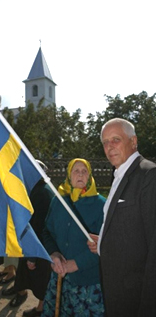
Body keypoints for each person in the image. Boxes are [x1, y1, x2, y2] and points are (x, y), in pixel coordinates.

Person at [87, 118, 156, 317]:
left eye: (116, 139)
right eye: (105, 142)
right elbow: (130, 228)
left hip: (136, 296)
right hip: (116, 290)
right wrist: (103, 243)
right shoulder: (118, 174)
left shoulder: (149, 175)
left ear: (133, 142)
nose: (109, 147)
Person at [42, 158, 105, 317]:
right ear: (69, 176)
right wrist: (54, 254)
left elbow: (107, 245)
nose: (80, 174)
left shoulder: (101, 205)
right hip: (60, 278)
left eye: (84, 171)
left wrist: (76, 264)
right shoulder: (58, 201)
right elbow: (47, 232)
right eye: (75, 171)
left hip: (88, 283)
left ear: (90, 176)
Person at [2, 160, 54, 316]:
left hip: (38, 244)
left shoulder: (41, 193)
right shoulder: (35, 189)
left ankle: (40, 309)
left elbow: (38, 225)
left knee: (41, 278)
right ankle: (21, 291)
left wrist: (32, 255)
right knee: (24, 271)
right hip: (30, 241)